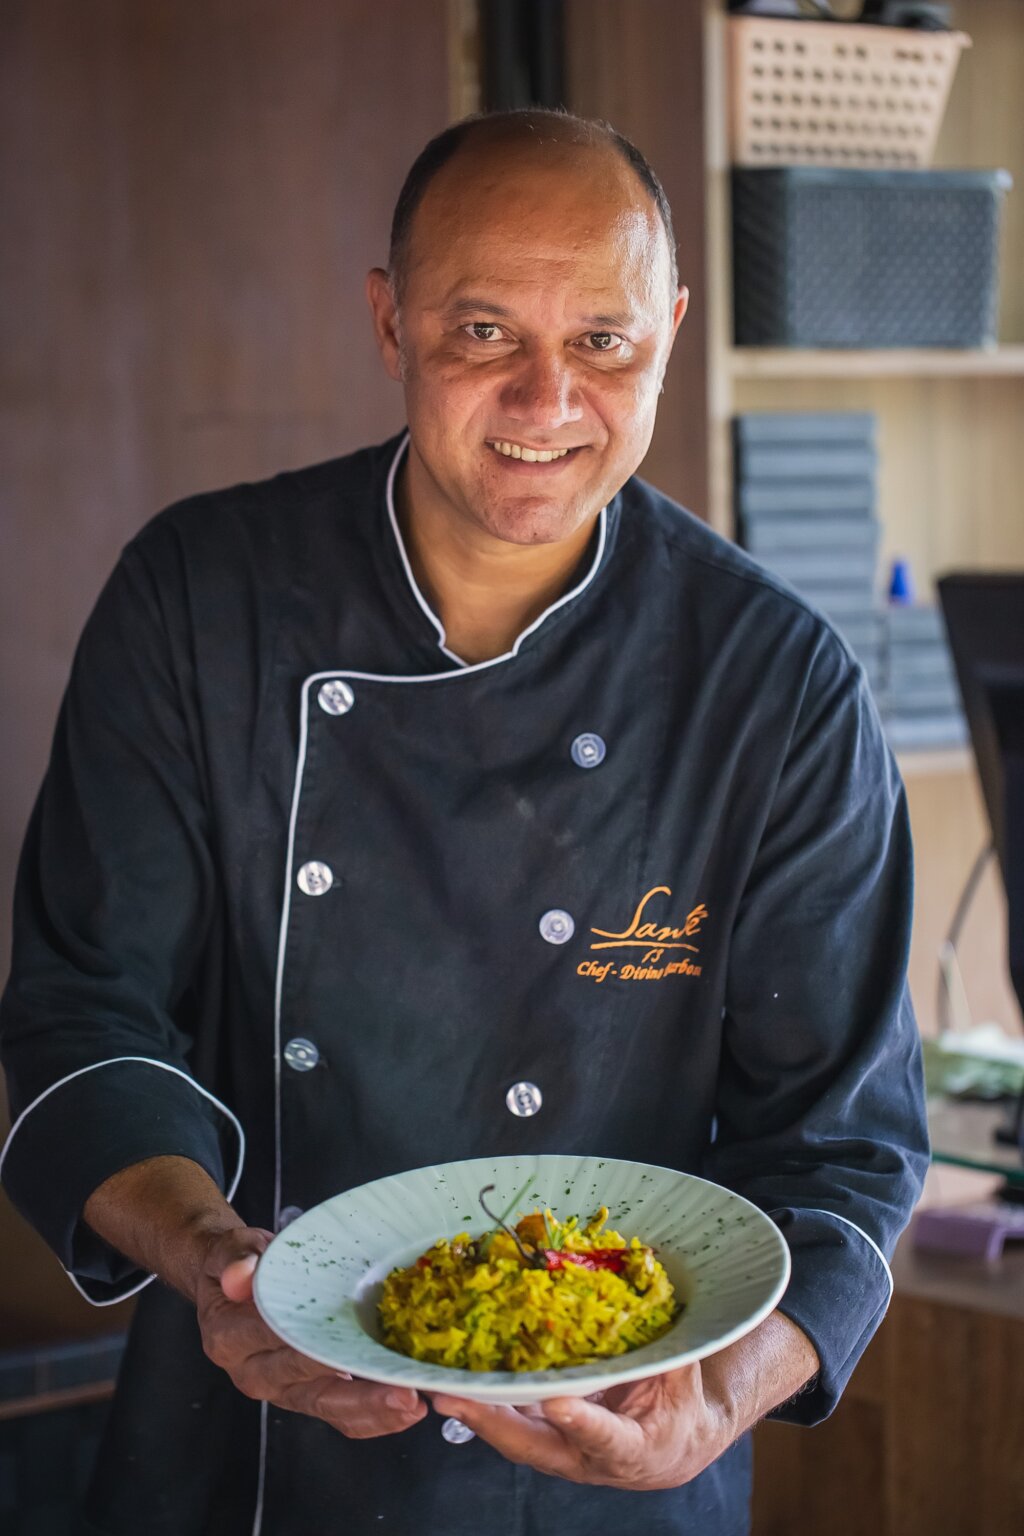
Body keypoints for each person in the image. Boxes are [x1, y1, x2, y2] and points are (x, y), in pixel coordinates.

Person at [0, 109, 928, 1536]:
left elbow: (846, 1147)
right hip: (235, 1448)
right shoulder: (202, 599)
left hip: (611, 1459)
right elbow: (80, 1016)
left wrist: (728, 1393)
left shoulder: (776, 684)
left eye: (604, 341)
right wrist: (214, 1270)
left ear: (672, 331)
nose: (547, 397)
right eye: (484, 330)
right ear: (389, 323)